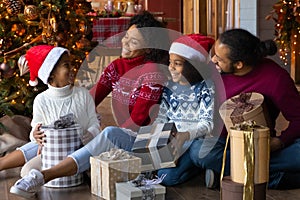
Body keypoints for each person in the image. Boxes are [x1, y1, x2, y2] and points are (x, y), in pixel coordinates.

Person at [9, 33, 216, 198]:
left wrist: (183, 136)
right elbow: (161, 119)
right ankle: (42, 176)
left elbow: (206, 123)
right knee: (108, 135)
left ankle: (44, 175)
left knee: (166, 178)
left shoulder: (204, 88)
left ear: (193, 65)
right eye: (170, 61)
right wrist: (153, 138)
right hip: (163, 142)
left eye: (177, 63)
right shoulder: (167, 85)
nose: (170, 67)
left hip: (188, 143)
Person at [189, 28, 300, 190]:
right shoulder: (214, 71)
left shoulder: (276, 78)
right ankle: (276, 179)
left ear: (239, 64)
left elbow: (298, 118)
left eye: (219, 59)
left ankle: (232, 175)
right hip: (224, 142)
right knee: (200, 152)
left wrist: (279, 142)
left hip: (260, 144)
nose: (213, 60)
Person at [0, 45, 101, 188]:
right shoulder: (41, 100)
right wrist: (35, 134)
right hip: (53, 154)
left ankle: (67, 172)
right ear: (51, 72)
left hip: (80, 149)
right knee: (26, 170)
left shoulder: (83, 95)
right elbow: (37, 128)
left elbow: (94, 121)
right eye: (67, 65)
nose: (72, 69)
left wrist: (91, 133)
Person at [89, 10, 169, 131]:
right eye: (126, 36)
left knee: (108, 133)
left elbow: (138, 119)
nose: (125, 43)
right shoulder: (116, 66)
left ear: (148, 49)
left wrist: (117, 137)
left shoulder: (152, 72)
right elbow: (90, 99)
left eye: (134, 42)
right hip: (125, 132)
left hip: (146, 136)